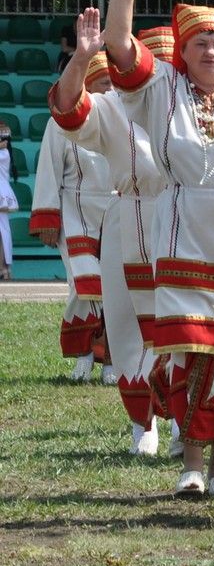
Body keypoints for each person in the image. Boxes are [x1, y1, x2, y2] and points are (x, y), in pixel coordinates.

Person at [101, 0, 214, 498]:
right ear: (184, 51)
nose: (211, 51)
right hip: (179, 232)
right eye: (200, 44)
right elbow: (120, 44)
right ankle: (191, 464)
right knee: (189, 351)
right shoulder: (159, 91)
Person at [51, 13, 172, 455]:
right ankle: (143, 422)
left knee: (177, 320)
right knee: (125, 324)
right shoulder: (113, 106)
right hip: (128, 214)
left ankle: (181, 416)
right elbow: (68, 110)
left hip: (182, 218)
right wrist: (82, 58)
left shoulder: (196, 106)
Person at [31, 48, 115, 382]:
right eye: (104, 82)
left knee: (116, 290)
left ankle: (111, 359)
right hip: (75, 211)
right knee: (83, 286)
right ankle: (83, 355)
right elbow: (49, 169)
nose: (111, 89)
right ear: (89, 83)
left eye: (114, 82)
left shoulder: (130, 117)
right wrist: (48, 217)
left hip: (117, 212)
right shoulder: (62, 121)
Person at [0, 127, 16, 280]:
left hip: (1, 192)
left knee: (3, 231)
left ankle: (4, 267)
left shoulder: (3, 153)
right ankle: (4, 267)